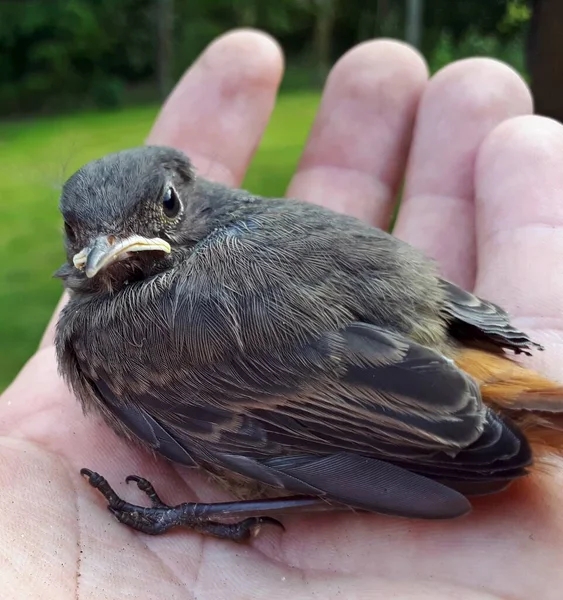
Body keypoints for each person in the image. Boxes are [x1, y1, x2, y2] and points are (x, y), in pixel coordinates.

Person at [1, 29, 561, 599]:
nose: (105, 249)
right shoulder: (155, 306)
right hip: (428, 344)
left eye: (165, 209)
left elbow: (281, 450)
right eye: (83, 234)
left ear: (189, 194)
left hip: (406, 390)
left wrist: (184, 512)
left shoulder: (120, 339)